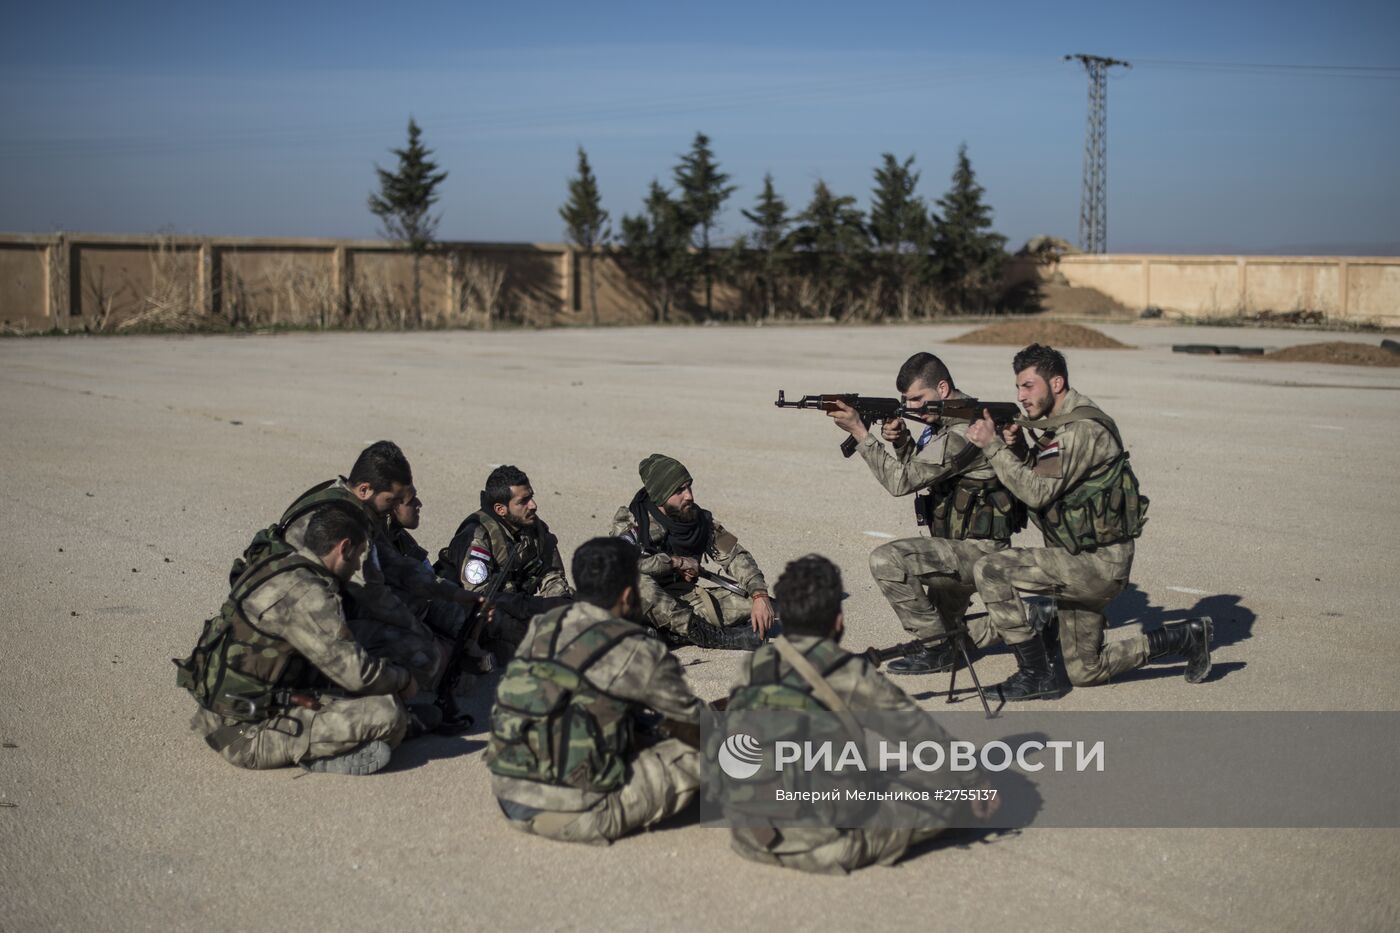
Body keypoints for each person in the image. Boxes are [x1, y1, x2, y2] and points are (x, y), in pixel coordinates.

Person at [964, 344, 1210, 700]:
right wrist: (1015, 449)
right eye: (1018, 387)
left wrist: (992, 447)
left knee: (991, 569)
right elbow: (1048, 475)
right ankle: (1185, 637)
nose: (1021, 396)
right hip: (1079, 557)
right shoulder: (1061, 426)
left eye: (1029, 386)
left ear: (1057, 382)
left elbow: (1035, 492)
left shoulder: (1079, 430)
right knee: (1085, 670)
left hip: (1094, 564)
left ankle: (1034, 673)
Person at [724, 555, 999, 873]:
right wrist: (976, 781)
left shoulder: (756, 664)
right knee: (952, 792)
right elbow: (925, 738)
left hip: (749, 834)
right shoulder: (851, 676)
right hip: (820, 847)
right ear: (837, 620)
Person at [487, 537, 703, 845]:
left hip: (509, 795)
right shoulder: (638, 650)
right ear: (629, 595)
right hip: (576, 814)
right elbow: (698, 725)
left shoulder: (546, 624)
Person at [178, 507, 417, 775]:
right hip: (245, 735)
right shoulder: (307, 595)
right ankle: (319, 755)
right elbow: (357, 675)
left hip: (231, 709)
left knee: (376, 695)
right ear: (344, 548)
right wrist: (403, 679)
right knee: (388, 714)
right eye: (359, 554)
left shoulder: (280, 566)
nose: (359, 564)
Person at [827, 352, 1023, 675]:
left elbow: (901, 481)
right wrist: (903, 441)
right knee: (944, 629)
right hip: (960, 548)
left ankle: (941, 652)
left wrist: (862, 434)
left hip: (980, 555)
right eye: (906, 401)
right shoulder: (947, 423)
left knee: (886, 560)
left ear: (943, 389)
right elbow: (929, 469)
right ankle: (1028, 621)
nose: (911, 408)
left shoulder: (964, 431)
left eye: (918, 399)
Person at [611, 454, 774, 651]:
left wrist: (759, 595)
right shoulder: (632, 522)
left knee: (757, 607)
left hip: (683, 600)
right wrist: (675, 562)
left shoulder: (698, 519)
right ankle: (721, 638)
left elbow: (735, 555)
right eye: (679, 490)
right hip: (639, 603)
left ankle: (666, 636)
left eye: (689, 486)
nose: (689, 495)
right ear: (660, 496)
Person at [435, 465, 573, 662]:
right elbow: (478, 597)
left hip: (513, 603)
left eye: (531, 496)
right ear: (501, 509)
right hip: (468, 608)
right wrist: (537, 607)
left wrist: (559, 604)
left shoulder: (534, 528)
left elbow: (551, 573)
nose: (533, 505)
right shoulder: (478, 536)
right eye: (523, 501)